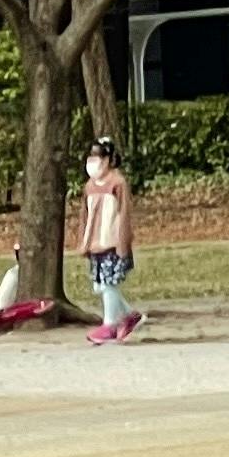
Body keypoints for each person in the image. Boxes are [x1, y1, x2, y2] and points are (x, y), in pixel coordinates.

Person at [77, 138, 140, 343]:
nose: (92, 162)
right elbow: (85, 216)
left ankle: (110, 324)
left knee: (108, 284)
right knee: (100, 285)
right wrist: (84, 242)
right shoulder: (89, 186)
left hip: (112, 243)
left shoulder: (117, 183)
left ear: (107, 160)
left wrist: (123, 242)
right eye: (90, 157)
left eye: (97, 157)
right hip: (95, 243)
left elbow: (124, 214)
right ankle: (129, 315)